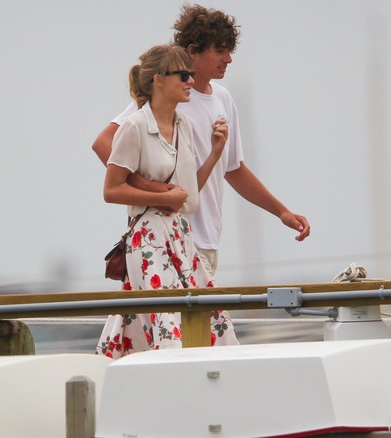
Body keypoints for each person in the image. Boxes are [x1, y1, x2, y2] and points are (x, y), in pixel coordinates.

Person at [92, 4, 311, 277]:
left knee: (184, 319)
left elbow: (234, 170)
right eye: (219, 50)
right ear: (193, 51)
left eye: (229, 50)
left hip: (207, 238)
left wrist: (281, 212)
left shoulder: (222, 98)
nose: (228, 59)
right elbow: (104, 143)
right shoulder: (169, 97)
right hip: (169, 236)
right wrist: (152, 190)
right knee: (199, 319)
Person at [96, 44, 239, 359]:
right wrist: (160, 195)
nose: (190, 80)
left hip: (180, 235)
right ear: (159, 80)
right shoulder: (135, 126)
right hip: (148, 236)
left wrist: (216, 153)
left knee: (211, 320)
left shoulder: (182, 125)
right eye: (183, 75)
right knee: (168, 325)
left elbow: (188, 194)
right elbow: (112, 190)